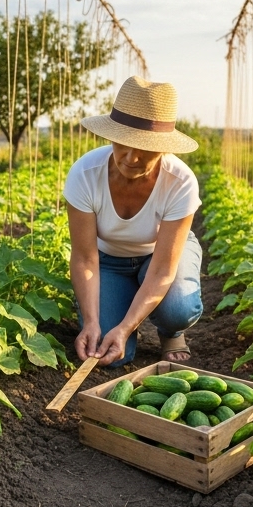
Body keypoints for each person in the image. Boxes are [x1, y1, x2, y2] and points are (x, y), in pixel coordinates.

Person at [63, 75, 202, 368]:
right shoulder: (85, 174)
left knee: (177, 307)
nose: (131, 157)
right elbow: (85, 258)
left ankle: (170, 331)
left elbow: (163, 269)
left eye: (145, 148)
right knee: (112, 357)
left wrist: (125, 328)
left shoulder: (180, 182)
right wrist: (91, 322)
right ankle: (123, 303)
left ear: (164, 147)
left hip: (160, 256)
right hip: (108, 260)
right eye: (124, 142)